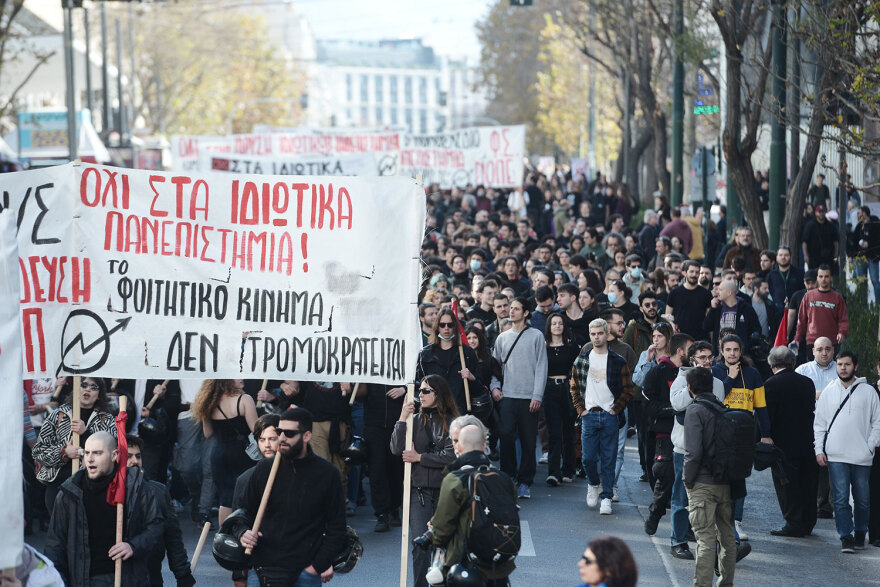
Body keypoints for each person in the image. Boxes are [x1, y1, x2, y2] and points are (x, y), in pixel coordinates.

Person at [239, 408, 346, 585]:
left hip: (304, 573)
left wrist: (317, 566)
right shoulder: (264, 469)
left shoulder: (327, 474)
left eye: (289, 433)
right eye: (279, 431)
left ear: (306, 436)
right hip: (262, 568)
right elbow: (244, 513)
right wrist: (243, 533)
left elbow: (337, 527)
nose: (282, 438)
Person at [45, 431, 164, 587]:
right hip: (84, 580)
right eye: (87, 453)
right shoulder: (70, 492)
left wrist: (134, 546)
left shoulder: (135, 487)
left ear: (114, 455)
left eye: (97, 453)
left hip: (126, 578)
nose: (90, 458)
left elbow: (156, 526)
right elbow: (55, 544)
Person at [391, 376, 458, 587]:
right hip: (419, 492)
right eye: (420, 390)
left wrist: (420, 457)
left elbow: (452, 456)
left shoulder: (454, 422)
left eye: (426, 391)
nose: (420, 394)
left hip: (446, 493)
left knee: (443, 547)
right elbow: (396, 448)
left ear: (439, 394)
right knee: (420, 545)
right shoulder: (414, 420)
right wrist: (402, 417)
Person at [430, 424, 517, 586]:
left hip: (465, 566)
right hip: (499, 564)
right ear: (484, 447)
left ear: (459, 448)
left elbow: (442, 529)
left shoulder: (455, 480)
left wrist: (433, 537)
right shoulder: (504, 479)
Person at [814, 351, 880, 553]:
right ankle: (846, 537)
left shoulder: (869, 392)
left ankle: (860, 533)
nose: (843, 368)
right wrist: (819, 450)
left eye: (847, 364)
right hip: (836, 455)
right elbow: (820, 424)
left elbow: (877, 422)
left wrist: (870, 445)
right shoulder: (829, 391)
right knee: (840, 499)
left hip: (862, 456)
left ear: (855, 367)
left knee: (863, 500)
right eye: (840, 364)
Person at [667, 342, 726, 560]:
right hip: (684, 449)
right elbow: (676, 405)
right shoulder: (681, 380)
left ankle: (707, 538)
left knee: (710, 498)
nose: (707, 361)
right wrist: (694, 385)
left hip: (711, 450)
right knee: (681, 497)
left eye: (710, 357)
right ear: (692, 360)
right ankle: (678, 541)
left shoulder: (718, 383)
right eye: (702, 357)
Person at [570, 318, 634, 515]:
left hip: (609, 415)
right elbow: (574, 387)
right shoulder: (582, 360)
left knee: (608, 459)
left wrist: (616, 409)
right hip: (589, 414)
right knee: (588, 458)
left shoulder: (618, 360)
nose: (596, 337)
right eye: (593, 334)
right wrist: (581, 410)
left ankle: (606, 497)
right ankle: (593, 483)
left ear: (606, 334)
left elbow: (628, 389)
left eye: (600, 333)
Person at [682, 368, 737, 587]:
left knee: (705, 539)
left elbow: (693, 452)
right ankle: (726, 583)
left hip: (702, 483)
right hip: (725, 482)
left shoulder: (695, 410)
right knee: (727, 537)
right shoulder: (723, 409)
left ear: (690, 388)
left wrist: (688, 481)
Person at [490, 297, 548, 499]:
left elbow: (541, 366)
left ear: (526, 312)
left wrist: (537, 395)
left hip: (529, 397)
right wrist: (494, 387)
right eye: (511, 308)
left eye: (516, 308)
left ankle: (525, 481)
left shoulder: (536, 336)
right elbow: (495, 367)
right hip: (507, 396)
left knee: (528, 441)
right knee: (506, 437)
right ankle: (508, 477)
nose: (511, 311)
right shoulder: (502, 338)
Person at [33, 377, 117, 514]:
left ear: (99, 394)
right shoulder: (58, 415)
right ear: (76, 389)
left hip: (92, 489)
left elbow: (112, 454)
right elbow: (39, 452)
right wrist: (64, 453)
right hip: (58, 487)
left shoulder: (106, 419)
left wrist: (86, 434)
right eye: (83, 385)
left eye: (94, 387)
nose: (88, 389)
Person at [126, 436, 195, 587]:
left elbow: (173, 537)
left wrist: (183, 575)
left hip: (151, 577)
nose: (135, 461)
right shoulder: (109, 494)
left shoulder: (158, 492)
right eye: (128, 456)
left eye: (138, 456)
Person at [764, 347, 818, 538]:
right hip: (808, 441)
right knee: (808, 484)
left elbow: (767, 415)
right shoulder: (807, 383)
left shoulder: (771, 383)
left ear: (772, 365)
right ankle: (808, 522)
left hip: (782, 445)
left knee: (787, 485)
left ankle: (794, 523)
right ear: (793, 363)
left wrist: (763, 437)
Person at [642, 333, 694, 536]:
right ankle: (655, 513)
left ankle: (687, 526)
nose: (695, 354)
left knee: (690, 480)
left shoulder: (693, 374)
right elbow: (649, 406)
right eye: (690, 350)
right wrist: (675, 409)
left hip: (689, 433)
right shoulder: (657, 372)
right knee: (666, 474)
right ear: (680, 351)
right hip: (664, 432)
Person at [192, 378, 256, 527]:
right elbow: (256, 430)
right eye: (236, 375)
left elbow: (207, 433)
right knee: (247, 496)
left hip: (218, 455)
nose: (242, 378)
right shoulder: (245, 399)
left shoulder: (208, 401)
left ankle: (225, 536)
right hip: (242, 455)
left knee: (225, 500)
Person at [417, 308, 480, 416]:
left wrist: (471, 377)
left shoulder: (467, 353)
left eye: (450, 325)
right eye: (442, 325)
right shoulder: (425, 354)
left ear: (455, 327)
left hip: (459, 411)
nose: (446, 328)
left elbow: (480, 387)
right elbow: (419, 383)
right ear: (437, 326)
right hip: (433, 412)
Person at [544, 313, 580, 485]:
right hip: (549, 389)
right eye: (554, 323)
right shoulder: (543, 347)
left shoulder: (571, 347)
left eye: (560, 323)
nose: (557, 326)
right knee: (554, 432)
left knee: (568, 430)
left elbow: (577, 370)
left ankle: (568, 469)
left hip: (567, 389)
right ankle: (553, 472)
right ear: (549, 327)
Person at [792, 265, 849, 355]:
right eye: (821, 276)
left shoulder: (838, 297)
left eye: (826, 276)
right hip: (812, 341)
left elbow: (843, 319)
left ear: (831, 278)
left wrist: (842, 333)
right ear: (817, 278)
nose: (823, 279)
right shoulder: (808, 296)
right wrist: (797, 339)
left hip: (832, 342)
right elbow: (801, 321)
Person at [703, 280, 761, 354]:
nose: (717, 292)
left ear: (729, 293)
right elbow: (706, 327)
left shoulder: (746, 308)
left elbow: (756, 330)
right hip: (720, 354)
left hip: (740, 354)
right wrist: (713, 309)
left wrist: (745, 346)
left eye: (720, 290)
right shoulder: (717, 308)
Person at [666, 260, 712, 339]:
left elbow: (709, 319)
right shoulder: (674, 293)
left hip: (700, 338)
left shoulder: (706, 294)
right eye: (691, 271)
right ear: (685, 273)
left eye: (697, 272)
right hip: (680, 337)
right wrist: (672, 324)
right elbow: (667, 315)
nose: (694, 274)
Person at [801, 205, 838, 272]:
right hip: (814, 257)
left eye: (823, 212)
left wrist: (836, 254)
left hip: (828, 257)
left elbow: (835, 241)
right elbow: (804, 241)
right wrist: (805, 255)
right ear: (815, 213)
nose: (821, 213)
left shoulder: (831, 226)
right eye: (819, 212)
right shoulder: (810, 225)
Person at [766, 246, 804, 311]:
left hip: (796, 310)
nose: (783, 257)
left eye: (786, 255)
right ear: (776, 258)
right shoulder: (770, 275)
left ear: (790, 257)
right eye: (780, 255)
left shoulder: (800, 273)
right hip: (777, 311)